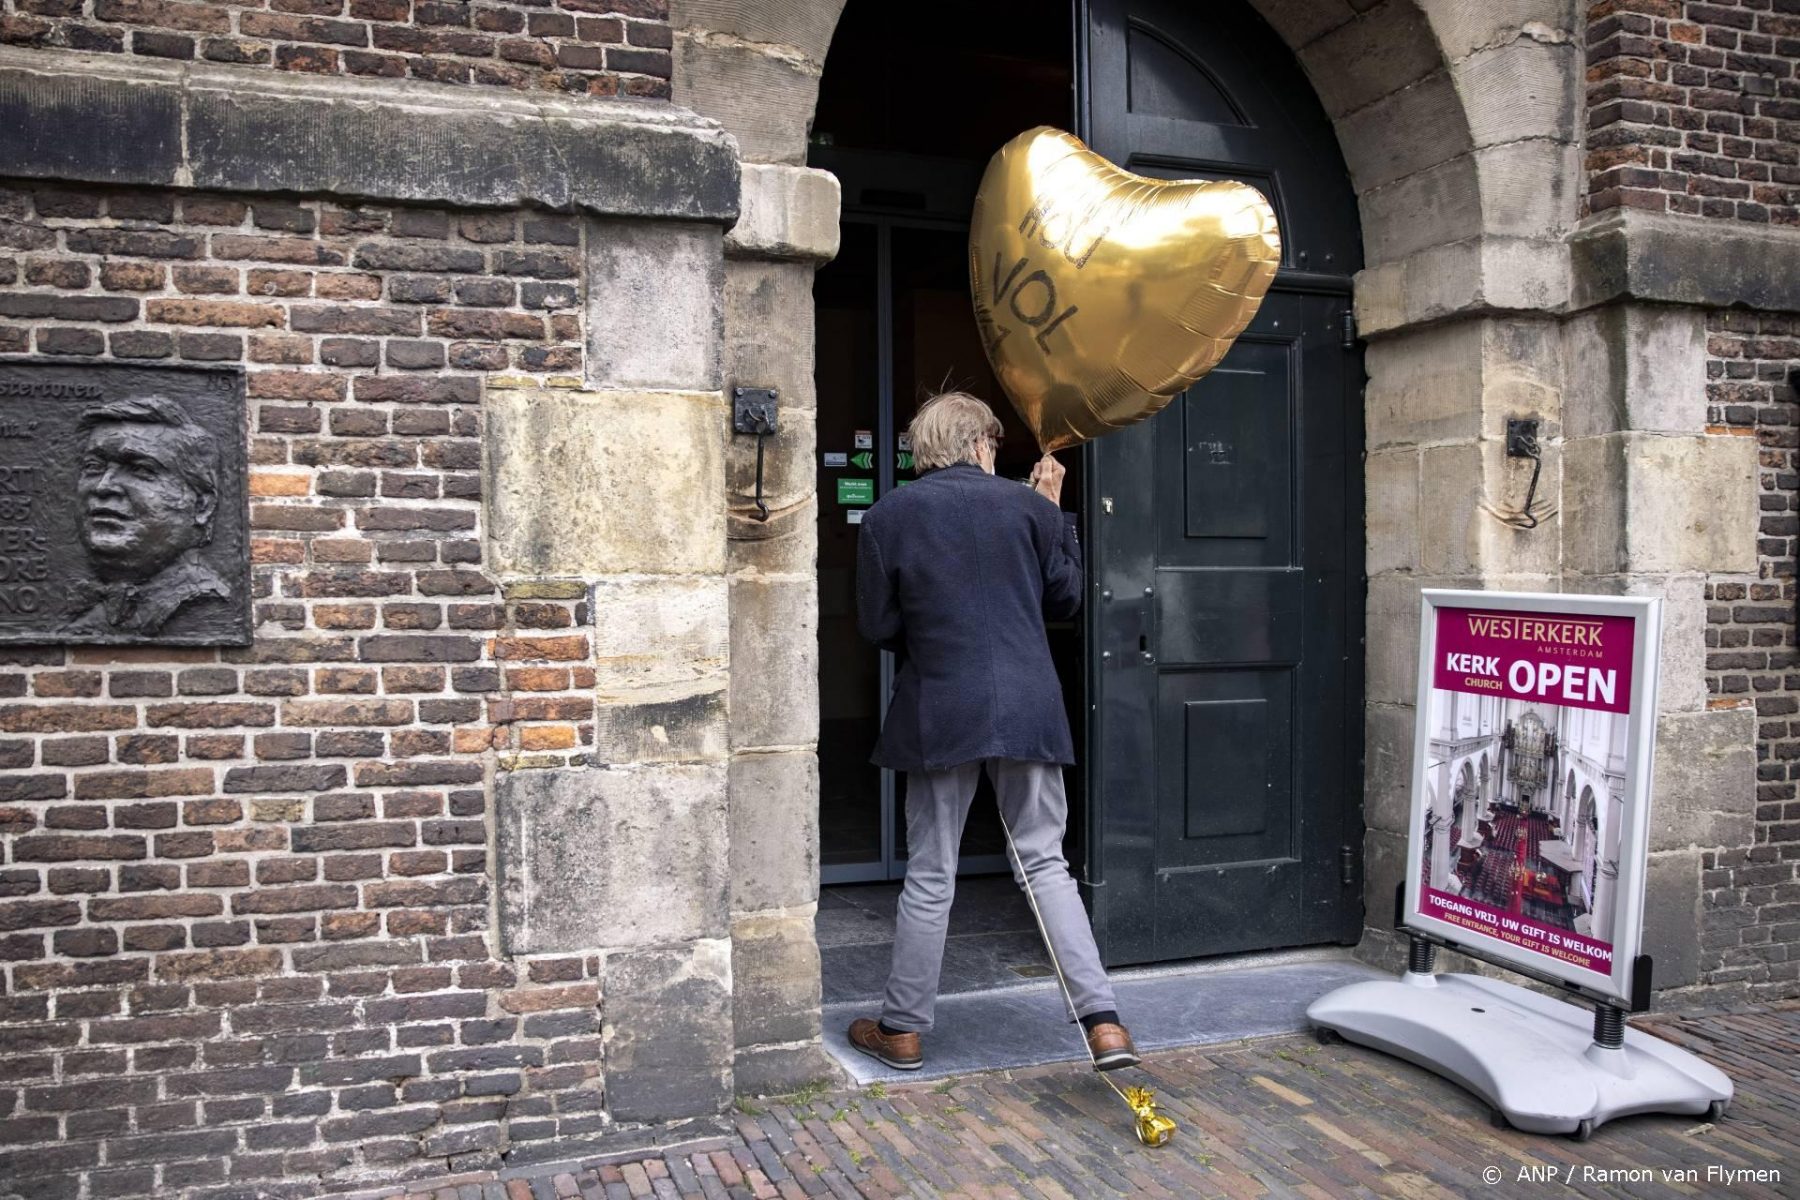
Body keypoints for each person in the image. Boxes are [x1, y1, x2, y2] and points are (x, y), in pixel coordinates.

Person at [847, 391, 1138, 1072]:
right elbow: (1067, 599)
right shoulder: (1028, 508)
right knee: (1044, 863)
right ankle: (1103, 1024)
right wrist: (1053, 510)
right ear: (980, 442)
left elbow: (878, 625)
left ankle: (902, 1029)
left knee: (931, 870)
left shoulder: (889, 515)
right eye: (994, 442)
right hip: (1028, 703)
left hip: (939, 706)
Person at [64, 396, 232, 638]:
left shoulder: (210, 612)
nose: (103, 486)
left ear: (202, 505)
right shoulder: (90, 614)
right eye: (93, 467)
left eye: (140, 469)